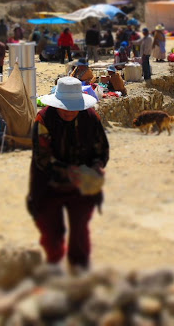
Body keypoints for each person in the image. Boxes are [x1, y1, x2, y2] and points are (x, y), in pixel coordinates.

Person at [27, 77, 109, 271]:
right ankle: (54, 270)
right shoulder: (43, 120)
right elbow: (43, 158)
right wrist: (70, 172)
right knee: (51, 234)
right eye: (65, 107)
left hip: (82, 187)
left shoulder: (90, 118)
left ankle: (79, 276)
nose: (69, 112)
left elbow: (101, 149)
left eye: (73, 108)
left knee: (80, 233)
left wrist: (96, 166)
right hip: (49, 185)